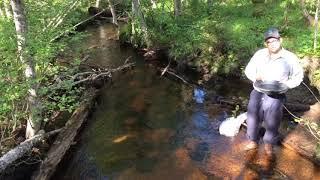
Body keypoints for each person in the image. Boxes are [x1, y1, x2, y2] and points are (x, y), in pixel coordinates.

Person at [243, 27, 304, 154]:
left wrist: (286, 84)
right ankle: (252, 141)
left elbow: (298, 77)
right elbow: (248, 70)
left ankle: (268, 144)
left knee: (273, 120)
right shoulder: (260, 54)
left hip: (277, 94)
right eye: (269, 42)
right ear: (266, 43)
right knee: (252, 117)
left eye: (274, 40)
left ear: (280, 40)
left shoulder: (290, 57)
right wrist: (255, 76)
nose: (272, 44)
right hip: (258, 91)